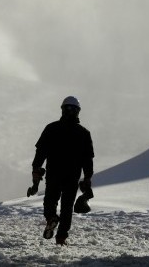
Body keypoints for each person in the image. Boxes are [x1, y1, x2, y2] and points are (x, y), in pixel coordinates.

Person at [32, 96, 94, 245]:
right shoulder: (84, 133)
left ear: (62, 109)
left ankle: (51, 218)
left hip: (54, 173)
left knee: (50, 201)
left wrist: (36, 168)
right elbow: (88, 159)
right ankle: (61, 238)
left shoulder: (51, 128)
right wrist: (87, 178)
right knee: (67, 207)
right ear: (78, 111)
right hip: (72, 176)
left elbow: (41, 152)